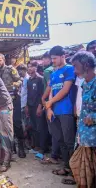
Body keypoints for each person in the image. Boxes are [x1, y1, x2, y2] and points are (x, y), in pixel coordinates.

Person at [45, 46, 76, 183]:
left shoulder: (69, 69)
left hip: (66, 111)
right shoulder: (53, 73)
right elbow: (51, 90)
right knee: (61, 141)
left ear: (63, 56)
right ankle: (66, 167)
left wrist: (50, 101)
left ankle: (75, 172)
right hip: (55, 111)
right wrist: (49, 108)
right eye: (51, 58)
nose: (53, 61)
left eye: (55, 58)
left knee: (70, 142)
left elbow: (65, 90)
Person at [70, 51, 96, 187]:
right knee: (78, 166)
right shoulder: (85, 84)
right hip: (84, 136)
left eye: (75, 66)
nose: (74, 71)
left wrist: (93, 117)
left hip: (93, 139)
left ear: (86, 65)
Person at [0, 53, 26, 158]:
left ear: (3, 60)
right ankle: (10, 148)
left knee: (17, 123)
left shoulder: (11, 69)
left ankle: (21, 146)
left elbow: (20, 79)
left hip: (14, 99)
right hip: (3, 102)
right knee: (6, 125)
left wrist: (17, 84)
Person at [41, 51, 61, 165]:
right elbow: (49, 88)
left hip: (53, 105)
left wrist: (47, 104)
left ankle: (55, 156)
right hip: (51, 104)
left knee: (55, 132)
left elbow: (50, 88)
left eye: (46, 59)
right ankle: (55, 155)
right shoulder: (53, 72)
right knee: (54, 132)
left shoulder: (48, 71)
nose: (44, 61)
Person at [26, 61, 49, 155]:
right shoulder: (29, 80)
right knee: (34, 127)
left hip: (38, 106)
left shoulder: (40, 79)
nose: (29, 69)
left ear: (36, 67)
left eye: (31, 67)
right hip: (31, 106)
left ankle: (43, 148)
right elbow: (28, 94)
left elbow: (42, 94)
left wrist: (40, 106)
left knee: (41, 128)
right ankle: (36, 146)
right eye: (28, 67)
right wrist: (27, 106)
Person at [17, 64, 30, 149]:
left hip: (25, 105)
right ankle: (23, 142)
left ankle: (27, 142)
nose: (19, 72)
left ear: (25, 70)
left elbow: (29, 94)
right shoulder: (20, 80)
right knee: (21, 124)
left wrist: (27, 105)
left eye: (20, 70)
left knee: (26, 125)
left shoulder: (28, 79)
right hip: (20, 104)